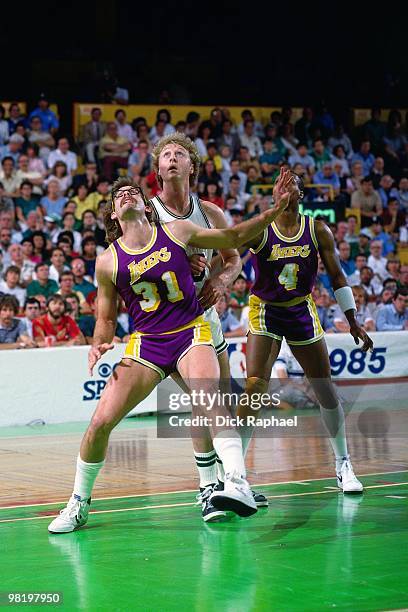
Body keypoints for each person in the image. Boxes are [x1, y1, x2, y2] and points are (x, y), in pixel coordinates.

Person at [47, 173, 292, 534]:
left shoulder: (177, 230)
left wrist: (273, 212)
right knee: (100, 423)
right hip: (147, 342)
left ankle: (236, 483)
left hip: (191, 331)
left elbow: (232, 239)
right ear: (114, 215)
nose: (127, 195)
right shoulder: (107, 262)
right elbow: (106, 317)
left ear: (147, 206)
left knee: (211, 400)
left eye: (134, 192)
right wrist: (100, 341)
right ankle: (78, 502)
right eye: (120, 196)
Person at [149, 133, 268, 517]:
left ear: (191, 167)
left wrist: (219, 279)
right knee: (203, 402)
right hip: (169, 322)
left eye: (178, 154)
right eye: (165, 154)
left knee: (218, 402)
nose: (171, 158)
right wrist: (180, 265)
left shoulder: (211, 212)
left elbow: (233, 258)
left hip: (207, 316)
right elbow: (133, 264)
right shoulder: (148, 215)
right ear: (157, 170)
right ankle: (208, 486)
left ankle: (229, 482)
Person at [237, 170, 373, 494]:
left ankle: (343, 464)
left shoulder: (317, 230)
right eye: (279, 186)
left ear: (300, 194)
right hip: (266, 309)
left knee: (325, 389)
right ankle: (235, 473)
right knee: (255, 385)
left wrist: (352, 320)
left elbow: (338, 277)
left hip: (300, 308)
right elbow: (230, 248)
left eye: (292, 184)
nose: (285, 189)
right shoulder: (260, 228)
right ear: (272, 195)